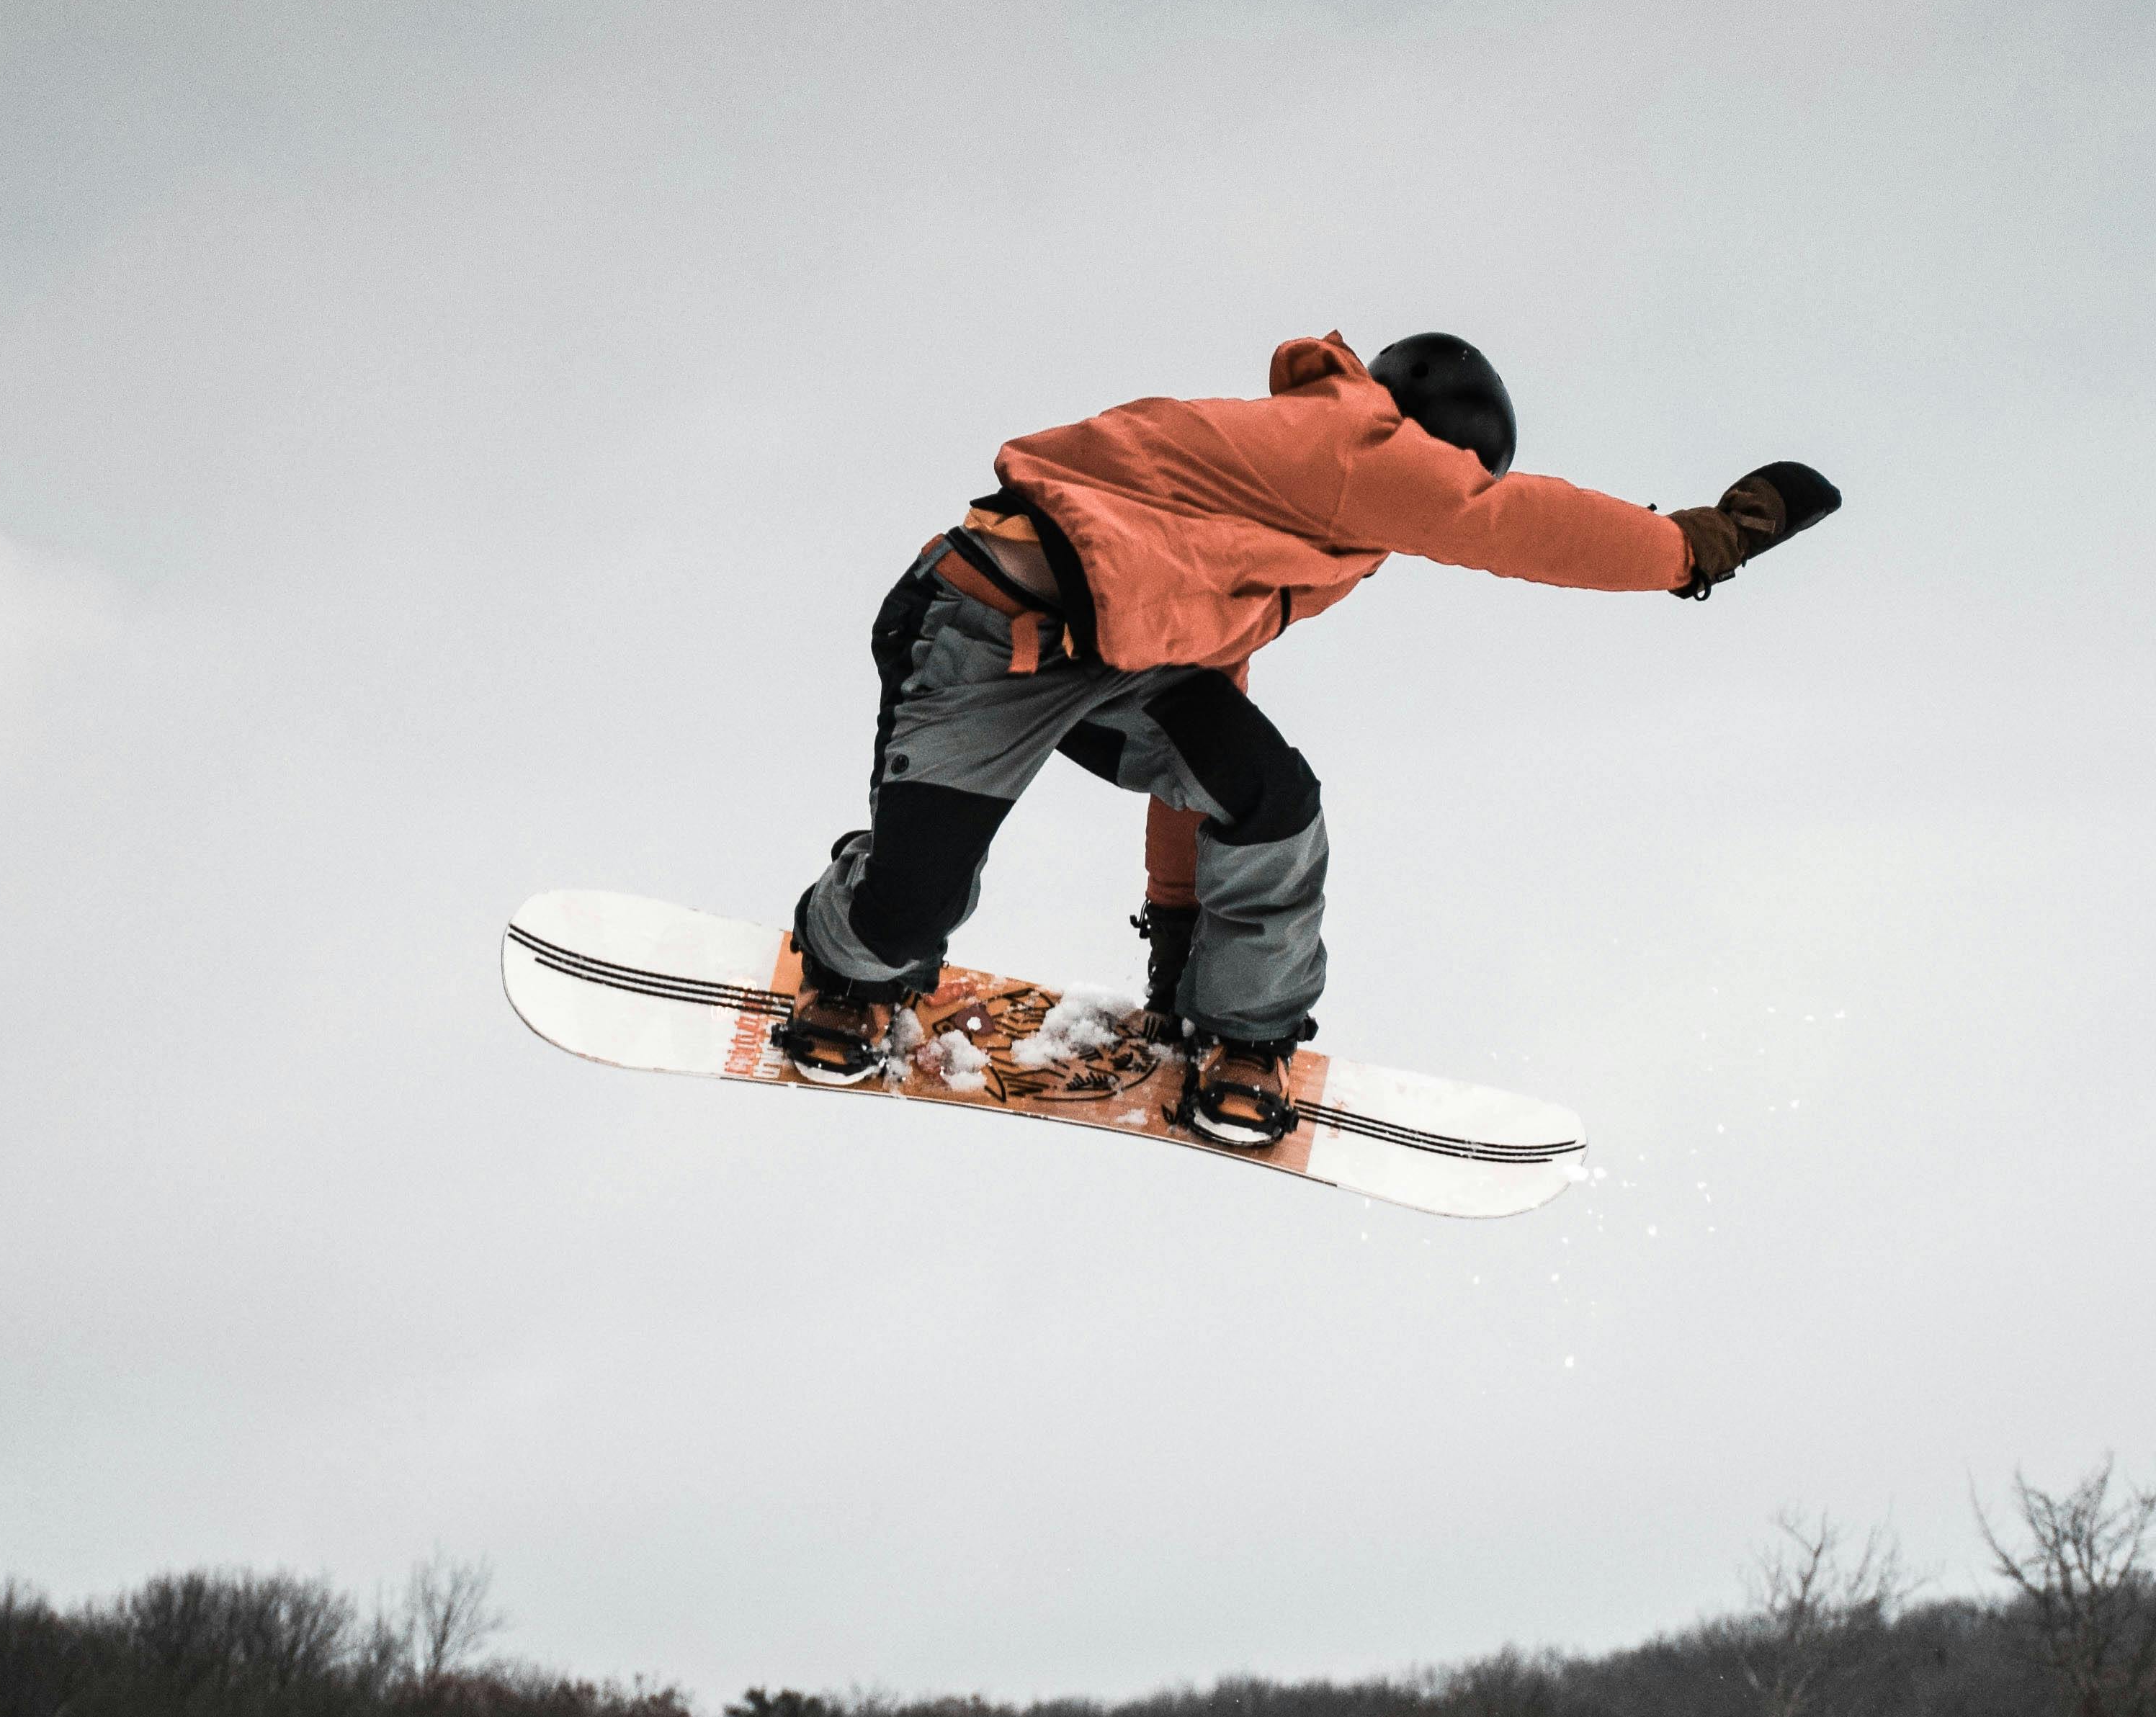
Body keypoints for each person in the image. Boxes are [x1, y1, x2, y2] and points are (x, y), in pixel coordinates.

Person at [779, 328, 1839, 1147]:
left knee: (1268, 798)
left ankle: (1242, 1032)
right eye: (1446, 484)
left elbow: (1203, 730)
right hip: (979, 633)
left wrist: (1184, 935)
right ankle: (852, 955)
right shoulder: (1352, 439)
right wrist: (1700, 545)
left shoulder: (1296, 524)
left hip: (1128, 661)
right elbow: (1512, 522)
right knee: (905, 914)